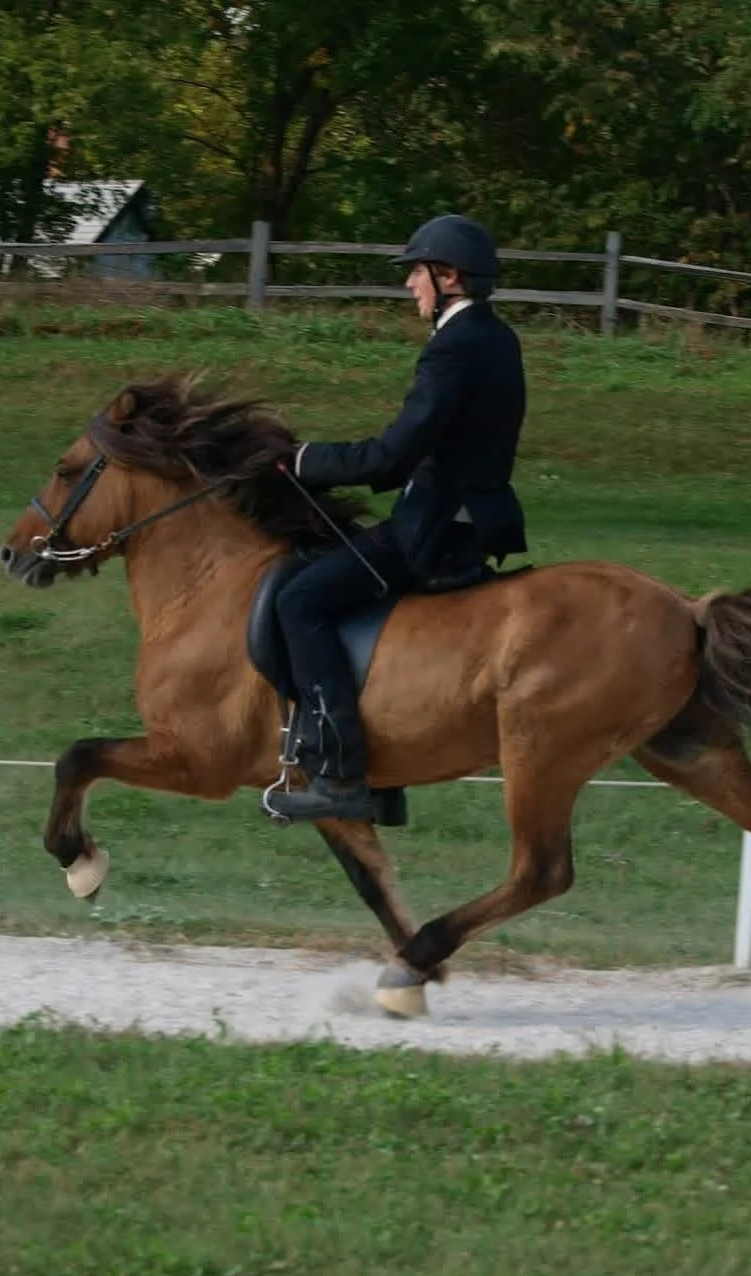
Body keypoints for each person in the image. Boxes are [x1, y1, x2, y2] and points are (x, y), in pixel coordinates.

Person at [263, 213, 529, 822]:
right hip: (475, 519)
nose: (410, 284)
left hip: (432, 531)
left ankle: (340, 773)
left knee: (299, 602)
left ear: (449, 276)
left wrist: (302, 460)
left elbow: (393, 454)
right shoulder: (500, 339)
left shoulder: (453, 348)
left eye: (417, 272)